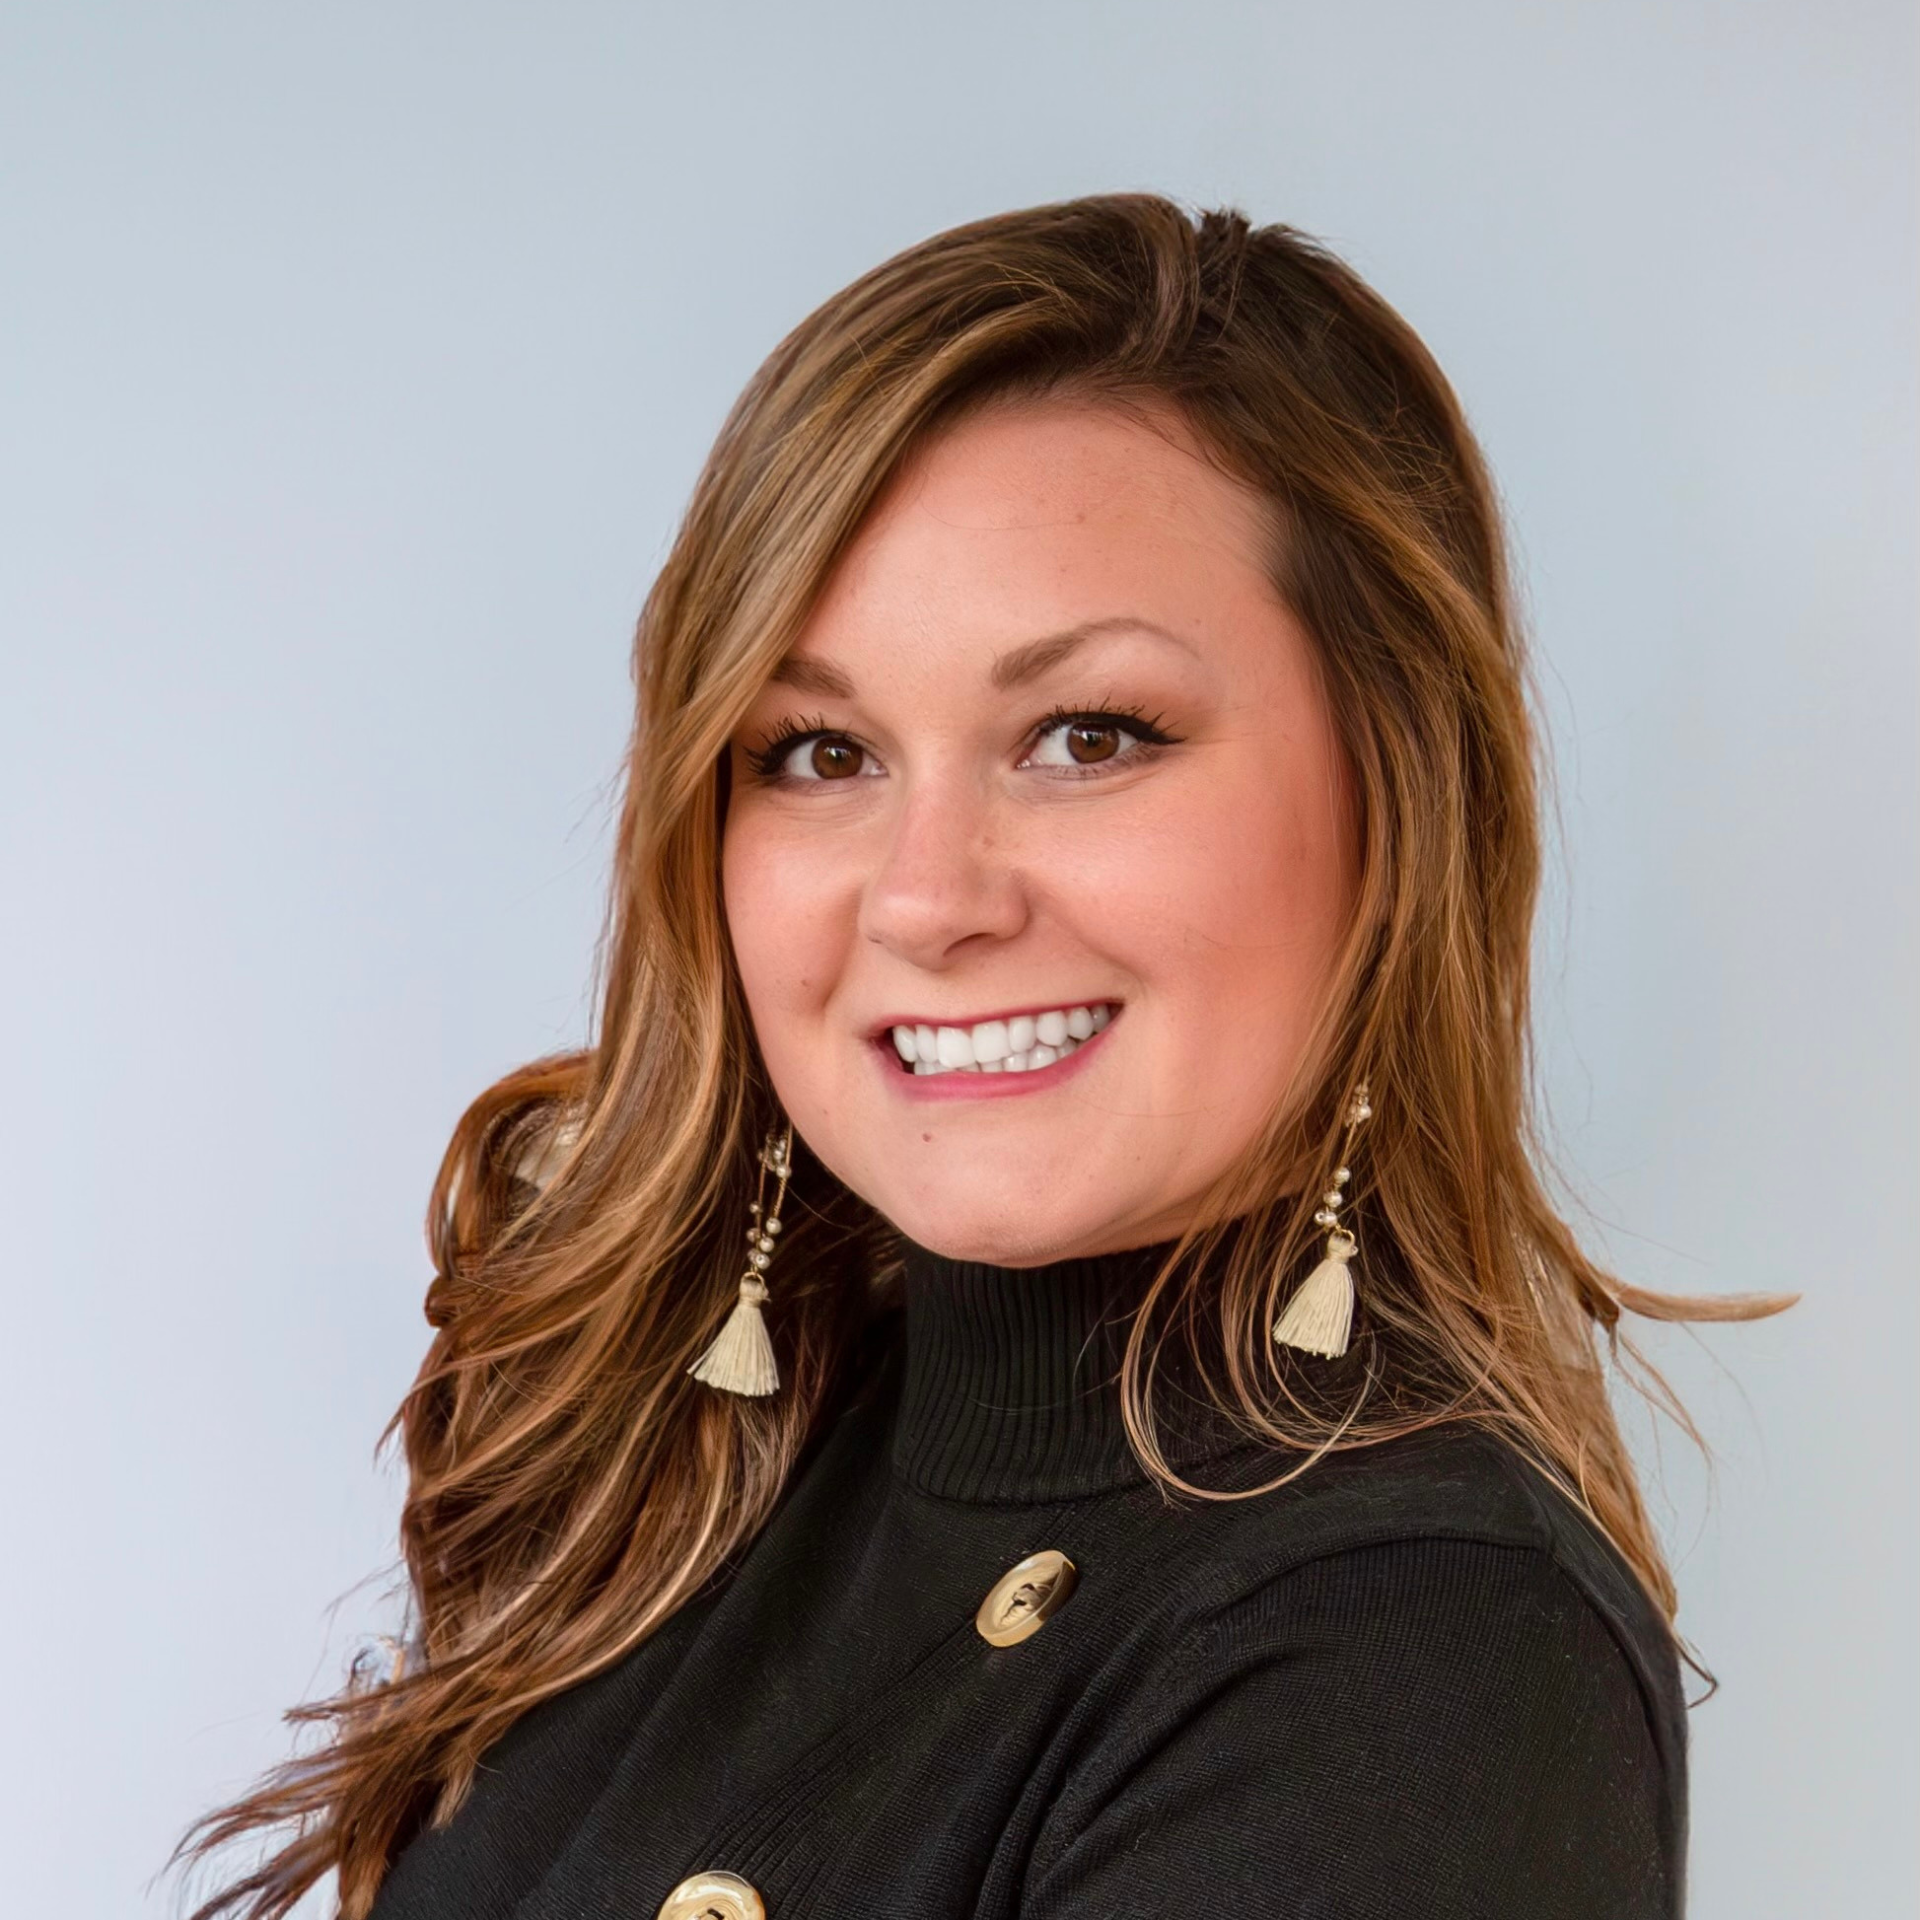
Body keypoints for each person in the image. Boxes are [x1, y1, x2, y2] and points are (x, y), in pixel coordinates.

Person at [179, 193, 1796, 1920]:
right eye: (816, 752)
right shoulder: (698, 1475)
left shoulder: (1421, 1654)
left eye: (1087, 736)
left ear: (1399, 807)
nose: (928, 898)